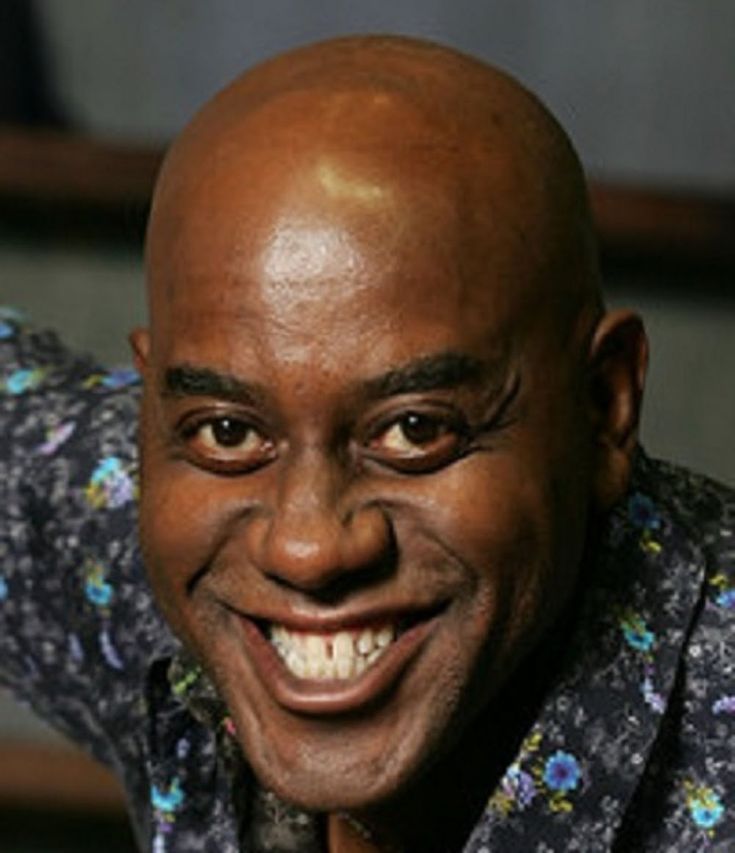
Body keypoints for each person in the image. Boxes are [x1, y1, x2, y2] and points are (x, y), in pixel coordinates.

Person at [1, 35, 734, 853]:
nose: (308, 547)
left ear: (603, 405)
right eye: (229, 429)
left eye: (415, 429)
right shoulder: (134, 534)